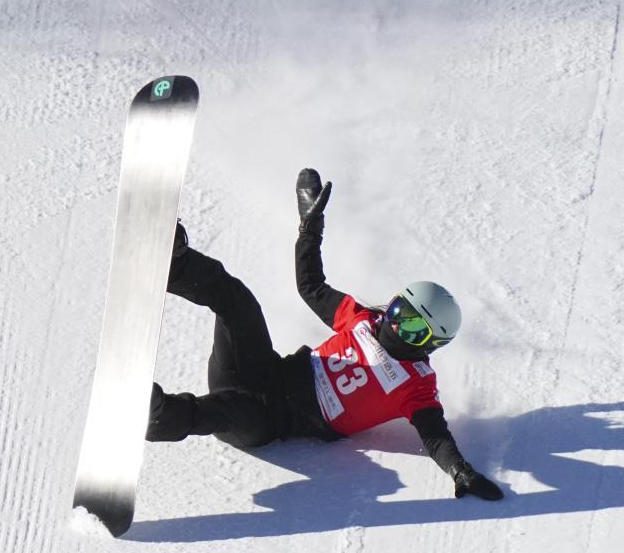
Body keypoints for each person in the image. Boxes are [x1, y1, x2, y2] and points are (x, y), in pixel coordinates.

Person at [146, 168, 503, 501]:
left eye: (412, 327)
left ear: (430, 343)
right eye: (398, 310)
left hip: (271, 421)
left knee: (219, 412)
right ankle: (173, 262)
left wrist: (460, 471)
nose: (395, 325)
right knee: (238, 301)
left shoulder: (417, 386)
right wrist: (310, 227)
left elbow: (436, 436)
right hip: (261, 371)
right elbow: (311, 287)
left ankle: (157, 414)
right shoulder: (362, 320)